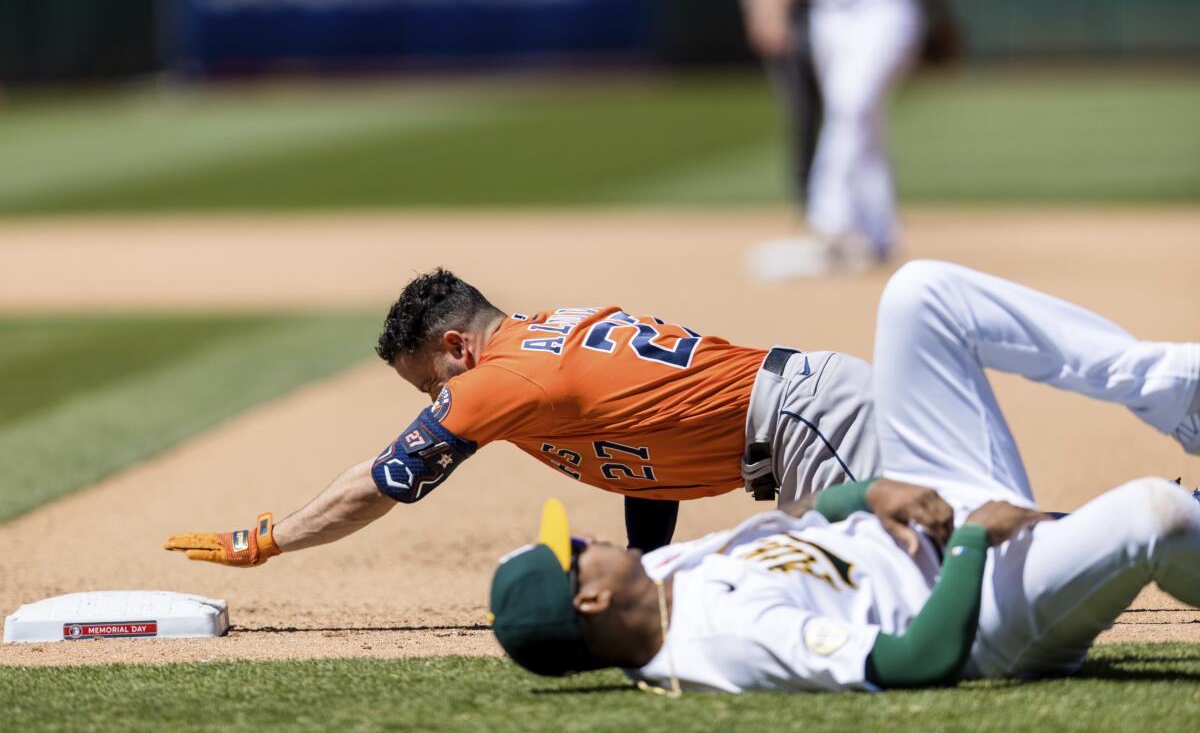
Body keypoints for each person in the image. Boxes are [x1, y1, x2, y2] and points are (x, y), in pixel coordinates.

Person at [163, 261, 1199, 566]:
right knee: (962, 552)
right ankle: (1169, 519)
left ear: (456, 347)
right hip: (809, 413)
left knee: (973, 568)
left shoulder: (496, 376)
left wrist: (270, 538)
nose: (441, 405)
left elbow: (385, 480)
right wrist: (644, 560)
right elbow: (640, 464)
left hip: (813, 425)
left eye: (431, 384)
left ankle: (1168, 521)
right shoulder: (551, 335)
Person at [489, 477, 1200, 691]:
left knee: (923, 296)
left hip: (922, 526)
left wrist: (866, 494)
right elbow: (916, 661)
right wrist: (975, 542)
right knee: (1153, 514)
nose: (588, 537)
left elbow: (787, 520)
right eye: (576, 552)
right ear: (590, 600)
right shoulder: (727, 641)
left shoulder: (663, 573)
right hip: (983, 608)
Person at [744, 0, 957, 279]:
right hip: (829, 15)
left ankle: (829, 221)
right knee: (863, 121)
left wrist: (941, 8)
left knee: (851, 105)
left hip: (888, 7)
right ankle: (879, 233)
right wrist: (772, 12)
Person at [735, 0, 822, 217]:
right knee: (803, 110)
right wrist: (763, 14)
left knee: (847, 109)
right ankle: (808, 194)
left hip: (831, 11)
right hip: (792, 18)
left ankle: (850, 196)